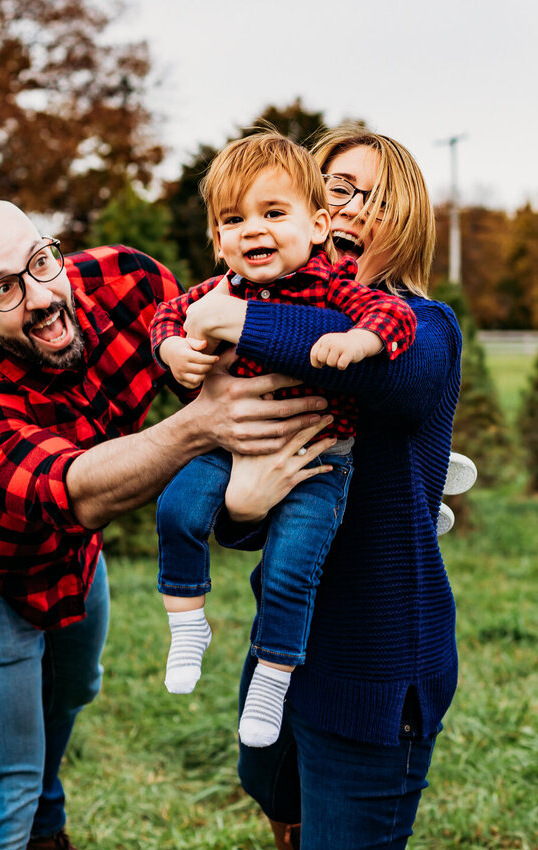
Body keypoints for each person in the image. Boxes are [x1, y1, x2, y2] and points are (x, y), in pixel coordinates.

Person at [0, 199, 333, 850]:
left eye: (41, 261)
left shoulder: (127, 282)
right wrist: (200, 425)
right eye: (4, 288)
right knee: (1, 795)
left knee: (73, 691)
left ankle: (43, 839)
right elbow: (75, 491)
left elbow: (232, 357)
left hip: (76, 557)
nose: (43, 296)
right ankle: (18, 828)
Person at [164, 126, 462, 850]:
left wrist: (227, 316)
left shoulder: (425, 329)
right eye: (338, 189)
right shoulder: (275, 327)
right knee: (277, 803)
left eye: (378, 198)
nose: (354, 209)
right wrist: (241, 504)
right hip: (283, 645)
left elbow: (382, 374)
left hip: (375, 665)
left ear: (410, 221)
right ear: (312, 210)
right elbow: (243, 520)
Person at [150, 132, 417, 750]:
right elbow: (168, 316)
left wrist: (359, 342)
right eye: (234, 220)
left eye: (273, 214)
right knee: (175, 509)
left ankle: (273, 675)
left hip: (319, 461)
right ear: (217, 240)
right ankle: (187, 622)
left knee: (291, 567)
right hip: (229, 448)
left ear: (316, 225)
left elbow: (392, 318)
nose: (253, 231)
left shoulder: (333, 287)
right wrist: (173, 348)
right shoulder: (222, 291)